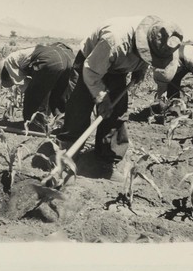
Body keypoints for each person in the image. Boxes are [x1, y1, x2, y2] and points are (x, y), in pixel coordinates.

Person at [57, 15, 183, 167]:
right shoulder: (115, 39)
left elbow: (148, 56)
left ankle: (106, 159)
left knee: (116, 111)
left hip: (118, 69)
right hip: (90, 64)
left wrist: (140, 69)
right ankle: (67, 158)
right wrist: (102, 97)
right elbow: (91, 72)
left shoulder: (161, 41)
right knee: (79, 109)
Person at [0, 42, 76, 122]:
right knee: (59, 95)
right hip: (69, 58)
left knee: (32, 95)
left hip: (51, 59)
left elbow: (27, 87)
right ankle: (63, 123)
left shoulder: (10, 62)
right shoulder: (24, 55)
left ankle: (33, 123)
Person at [153, 43, 193, 110]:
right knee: (172, 87)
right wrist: (161, 96)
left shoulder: (188, 58)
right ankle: (174, 108)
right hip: (180, 62)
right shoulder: (161, 64)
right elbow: (162, 81)